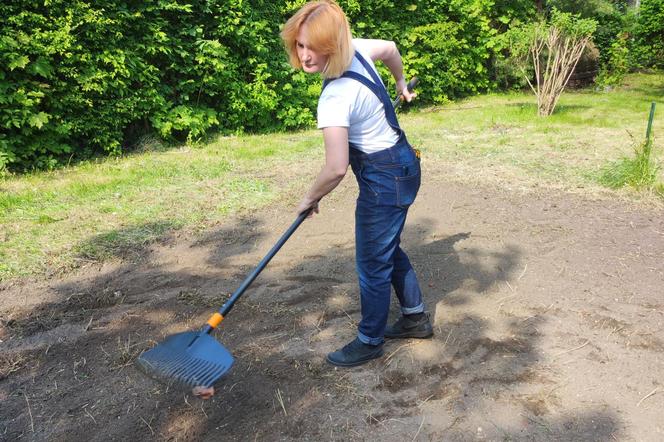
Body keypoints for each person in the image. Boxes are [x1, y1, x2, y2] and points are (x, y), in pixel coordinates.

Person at [281, 0, 433, 367]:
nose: (305, 55)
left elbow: (336, 168)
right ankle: (414, 317)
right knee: (386, 248)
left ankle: (370, 340)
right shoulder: (359, 48)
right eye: (300, 45)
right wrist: (400, 81)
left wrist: (309, 198)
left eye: (314, 46)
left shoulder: (335, 97)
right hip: (402, 163)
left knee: (372, 262)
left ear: (334, 42)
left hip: (385, 179)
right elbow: (393, 50)